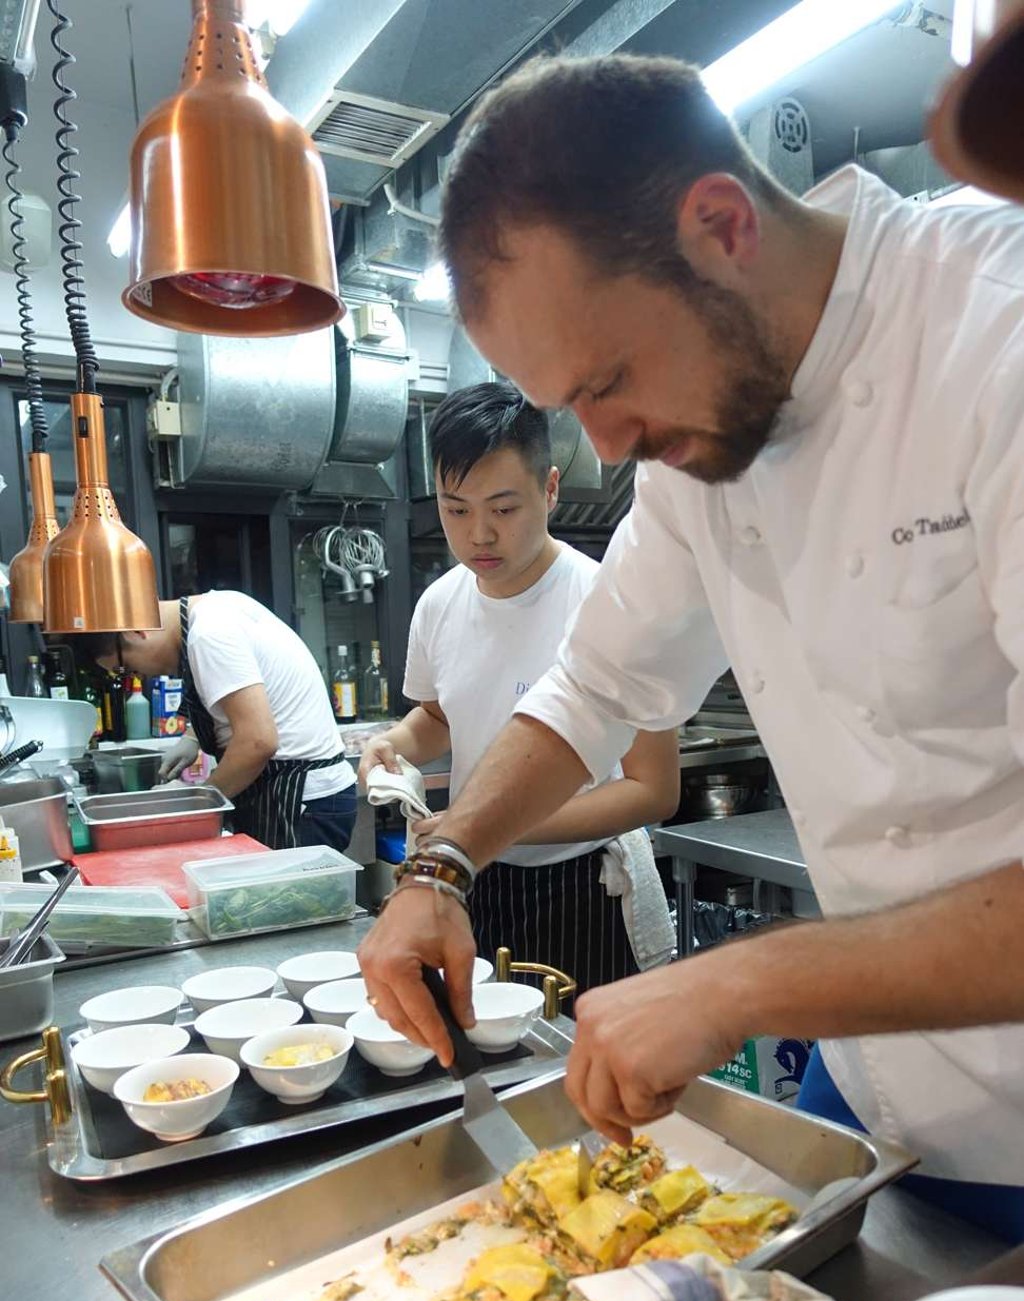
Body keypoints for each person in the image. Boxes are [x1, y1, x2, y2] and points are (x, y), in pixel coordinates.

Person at [359, 54, 1024, 1240]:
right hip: (872, 1079)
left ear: (720, 225)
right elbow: (597, 687)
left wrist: (735, 982)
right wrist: (443, 864)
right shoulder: (694, 436)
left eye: (608, 382)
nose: (608, 450)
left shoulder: (993, 334)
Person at [358, 382, 678, 997]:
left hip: (580, 886)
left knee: (580, 1078)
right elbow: (440, 716)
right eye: (456, 509)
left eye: (503, 509)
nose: (478, 534)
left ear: (550, 489)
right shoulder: (439, 604)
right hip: (473, 880)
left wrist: (489, 825)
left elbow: (652, 790)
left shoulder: (604, 603)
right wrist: (394, 742)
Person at [67, 592, 356, 852]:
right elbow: (241, 698)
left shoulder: (209, 634)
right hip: (290, 793)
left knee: (285, 907)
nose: (137, 675)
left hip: (299, 802)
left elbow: (259, 741)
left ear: (136, 631)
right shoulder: (215, 607)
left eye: (125, 667)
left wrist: (197, 800)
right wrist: (192, 738)